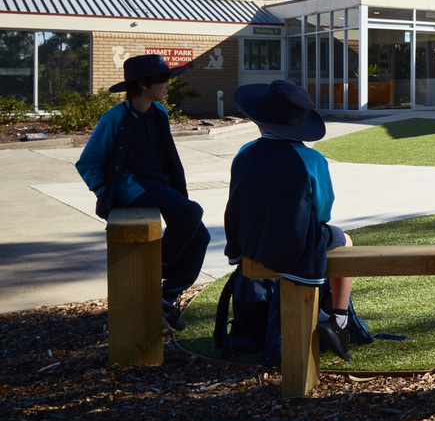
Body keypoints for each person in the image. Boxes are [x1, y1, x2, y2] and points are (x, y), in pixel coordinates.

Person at [223, 80, 355, 362]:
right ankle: (339, 320)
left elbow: (237, 200)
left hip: (249, 242)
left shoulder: (244, 153)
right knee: (344, 240)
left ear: (260, 120)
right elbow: (323, 213)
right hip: (292, 248)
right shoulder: (311, 159)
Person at [75, 54, 210, 332]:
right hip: (131, 186)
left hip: (160, 185)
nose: (168, 85)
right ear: (144, 85)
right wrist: (104, 191)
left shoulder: (160, 113)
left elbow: (166, 156)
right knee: (192, 212)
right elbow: (87, 161)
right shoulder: (115, 118)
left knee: (201, 236)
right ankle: (158, 266)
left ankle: (166, 296)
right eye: (163, 81)